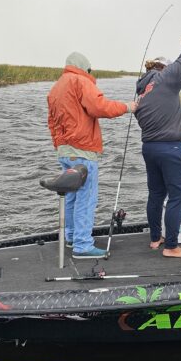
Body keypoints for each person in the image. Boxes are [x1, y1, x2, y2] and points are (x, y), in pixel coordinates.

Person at [47, 52, 136, 259]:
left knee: (71, 196)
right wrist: (127, 107)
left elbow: (51, 122)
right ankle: (82, 245)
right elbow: (99, 107)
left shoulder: (56, 86)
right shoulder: (81, 81)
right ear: (85, 67)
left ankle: (71, 237)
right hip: (83, 151)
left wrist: (59, 145)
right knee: (86, 199)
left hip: (65, 152)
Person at [134, 32, 181, 258]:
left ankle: (155, 238)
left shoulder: (142, 92)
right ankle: (171, 246)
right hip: (171, 151)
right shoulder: (166, 78)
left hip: (150, 149)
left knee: (156, 194)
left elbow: (157, 123)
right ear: (165, 69)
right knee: (178, 196)